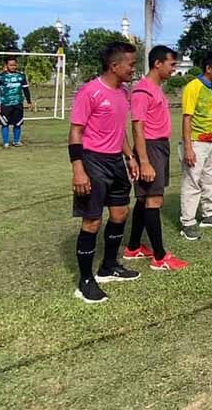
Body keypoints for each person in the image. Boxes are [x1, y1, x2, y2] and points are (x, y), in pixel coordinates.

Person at [68, 41, 142, 304]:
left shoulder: (123, 93)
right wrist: (78, 169)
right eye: (131, 64)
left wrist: (130, 156)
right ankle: (85, 281)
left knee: (121, 213)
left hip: (116, 162)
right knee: (92, 221)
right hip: (92, 161)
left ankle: (108, 267)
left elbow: (118, 129)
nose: (134, 69)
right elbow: (75, 132)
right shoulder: (90, 91)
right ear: (114, 65)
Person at [123, 45, 189, 271]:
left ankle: (133, 247)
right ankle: (160, 257)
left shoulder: (155, 87)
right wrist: (144, 161)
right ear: (157, 63)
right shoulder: (143, 91)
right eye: (172, 65)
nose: (174, 69)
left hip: (158, 147)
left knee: (144, 199)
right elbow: (137, 128)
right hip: (149, 148)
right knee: (154, 200)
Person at [179, 50, 212, 240]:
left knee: (210, 179)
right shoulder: (193, 87)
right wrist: (189, 148)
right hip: (196, 141)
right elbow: (187, 118)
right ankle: (188, 222)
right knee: (192, 181)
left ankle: (209, 214)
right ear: (209, 68)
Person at [0, 57, 33, 148]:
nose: (13, 67)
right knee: (4, 123)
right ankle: (6, 142)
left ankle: (16, 141)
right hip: (5, 104)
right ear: (6, 65)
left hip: (18, 104)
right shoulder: (0, 77)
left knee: (18, 123)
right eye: (11, 65)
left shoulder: (21, 76)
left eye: (14, 65)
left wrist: (29, 101)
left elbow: (26, 89)